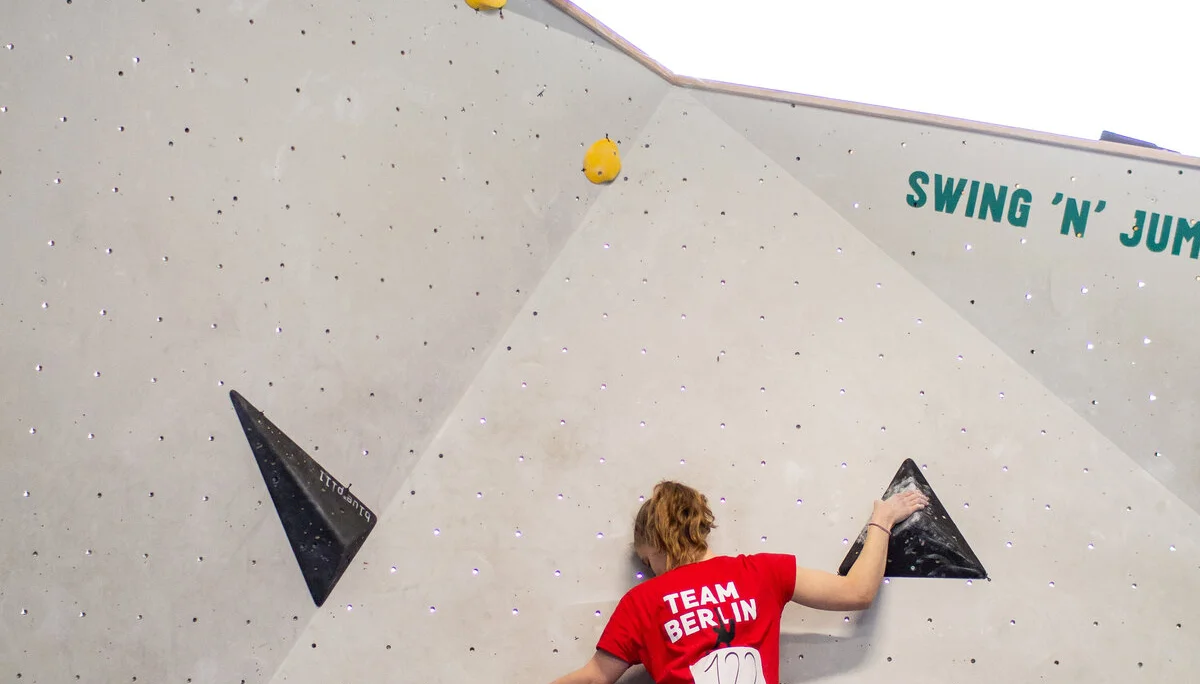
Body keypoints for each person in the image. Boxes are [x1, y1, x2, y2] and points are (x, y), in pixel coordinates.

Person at [549, 480, 929, 684]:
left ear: (659, 542)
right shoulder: (761, 572)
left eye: (648, 561)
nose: (651, 571)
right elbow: (857, 591)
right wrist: (882, 520)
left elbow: (595, 677)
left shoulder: (642, 600)